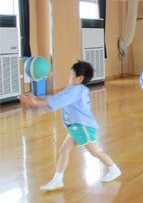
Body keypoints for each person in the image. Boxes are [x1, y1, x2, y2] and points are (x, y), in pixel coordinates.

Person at [18, 61, 121, 191]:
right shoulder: (75, 90)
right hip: (75, 127)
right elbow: (59, 98)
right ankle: (57, 179)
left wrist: (37, 103)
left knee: (95, 152)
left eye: (71, 76)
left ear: (80, 78)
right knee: (64, 151)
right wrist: (37, 102)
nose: (69, 78)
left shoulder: (76, 90)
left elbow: (59, 100)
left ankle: (114, 169)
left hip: (82, 127)